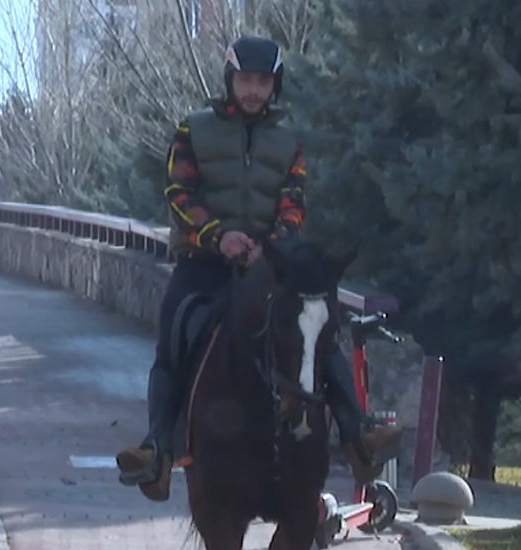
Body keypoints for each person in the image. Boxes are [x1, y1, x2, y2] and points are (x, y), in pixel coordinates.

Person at [114, 35, 402, 502]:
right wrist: (218, 237)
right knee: (171, 342)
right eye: (245, 80)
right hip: (203, 261)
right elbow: (179, 193)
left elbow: (295, 199)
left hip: (270, 264)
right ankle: (157, 451)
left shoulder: (291, 140)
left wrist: (273, 245)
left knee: (319, 328)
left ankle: (357, 434)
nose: (253, 90)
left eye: (262, 82)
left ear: (275, 85)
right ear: (230, 80)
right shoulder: (192, 129)